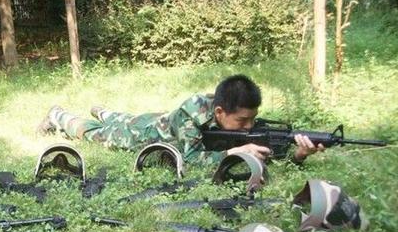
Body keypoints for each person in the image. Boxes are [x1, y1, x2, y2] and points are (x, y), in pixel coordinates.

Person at [36, 74, 325, 164]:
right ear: (219, 112)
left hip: (158, 119)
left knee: (125, 117)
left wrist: (299, 154)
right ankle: (58, 115)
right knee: (99, 133)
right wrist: (235, 152)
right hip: (145, 135)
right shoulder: (192, 112)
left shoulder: (234, 111)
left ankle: (102, 110)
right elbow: (189, 158)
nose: (249, 127)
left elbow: (266, 150)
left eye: (253, 120)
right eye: (242, 121)